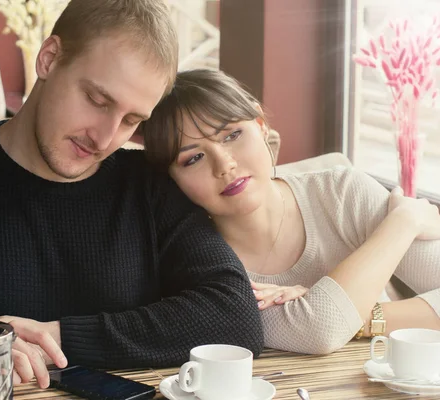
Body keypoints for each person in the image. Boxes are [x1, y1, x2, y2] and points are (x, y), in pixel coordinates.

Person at [0, 2, 264, 385]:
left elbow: (234, 316)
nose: (105, 138)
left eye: (132, 120)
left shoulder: (150, 183)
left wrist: (55, 337)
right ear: (49, 58)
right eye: (97, 100)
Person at [140, 68, 440, 355]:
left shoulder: (342, 192)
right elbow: (319, 330)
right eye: (193, 159)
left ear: (260, 126)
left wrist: (351, 312)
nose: (225, 165)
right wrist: (402, 222)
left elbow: (325, 320)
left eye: (231, 135)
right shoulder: (193, 263)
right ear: (172, 179)